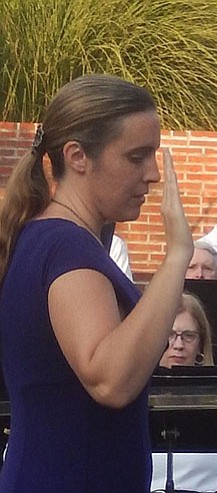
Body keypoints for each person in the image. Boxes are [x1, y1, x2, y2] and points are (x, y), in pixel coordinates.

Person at [0, 74, 193, 491]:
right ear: (78, 157)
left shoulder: (44, 238)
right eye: (136, 157)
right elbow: (110, 380)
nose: (153, 174)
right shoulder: (66, 248)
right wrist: (177, 255)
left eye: (153, 156)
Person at [152, 292, 217, 493]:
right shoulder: (131, 400)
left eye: (188, 336)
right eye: (169, 335)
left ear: (201, 344)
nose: (178, 345)